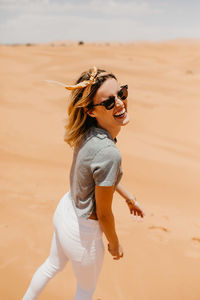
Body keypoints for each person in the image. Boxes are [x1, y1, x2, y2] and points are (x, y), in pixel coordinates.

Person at [22, 66, 145, 300]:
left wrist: (129, 198)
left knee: (51, 266)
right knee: (86, 290)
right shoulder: (109, 152)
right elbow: (105, 212)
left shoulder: (87, 132)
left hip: (65, 211)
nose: (119, 103)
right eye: (109, 102)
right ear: (90, 111)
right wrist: (114, 244)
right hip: (83, 234)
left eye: (122, 93)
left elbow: (99, 177)